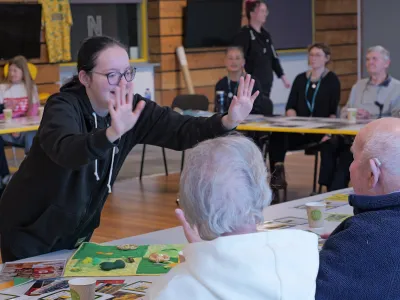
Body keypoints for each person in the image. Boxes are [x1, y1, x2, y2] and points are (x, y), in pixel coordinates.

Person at [0, 36, 259, 262]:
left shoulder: (133, 109)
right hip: (27, 229)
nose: (121, 82)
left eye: (127, 73)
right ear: (84, 77)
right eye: (111, 75)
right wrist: (112, 133)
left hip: (73, 231)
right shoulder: (63, 106)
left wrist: (228, 120)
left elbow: (182, 130)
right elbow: (67, 151)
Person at [147, 135, 319, 300]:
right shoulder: (304, 258)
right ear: (261, 192)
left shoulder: (172, 290)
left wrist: (202, 257)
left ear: (190, 205)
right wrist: (206, 256)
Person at [316, 117, 400, 300]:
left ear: (373, 174)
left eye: (353, 158)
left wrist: (351, 245)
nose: (350, 167)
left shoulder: (366, 241)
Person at [268, 43, 341, 190]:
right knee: (276, 135)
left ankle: (325, 187)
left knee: (331, 146)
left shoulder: (332, 80)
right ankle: (277, 176)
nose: (313, 58)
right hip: (299, 130)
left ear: (327, 58)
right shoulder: (300, 79)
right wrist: (295, 122)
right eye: (311, 54)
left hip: (320, 133)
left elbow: (333, 112)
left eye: (317, 55)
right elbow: (290, 107)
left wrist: (328, 131)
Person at [327, 45, 400, 191]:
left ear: (386, 63)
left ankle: (339, 189)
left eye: (374, 59)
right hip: (351, 135)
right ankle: (328, 190)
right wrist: (352, 113)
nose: (370, 62)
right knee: (329, 146)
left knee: (348, 156)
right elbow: (344, 112)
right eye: (367, 59)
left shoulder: (397, 88)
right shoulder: (358, 86)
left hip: (377, 141)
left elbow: (395, 121)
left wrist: (370, 118)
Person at [233, 0, 290, 103]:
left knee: (265, 108)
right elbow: (239, 58)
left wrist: (283, 77)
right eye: (262, 11)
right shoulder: (244, 34)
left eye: (266, 11)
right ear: (252, 13)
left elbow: (273, 57)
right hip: (251, 84)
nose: (265, 14)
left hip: (266, 83)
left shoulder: (265, 35)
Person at [0, 55, 40, 154]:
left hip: (25, 130)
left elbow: (33, 115)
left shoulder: (31, 88)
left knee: (33, 135)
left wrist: (20, 128)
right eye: (10, 70)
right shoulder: (2, 88)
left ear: (23, 72)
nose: (11, 73)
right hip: (7, 131)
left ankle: (31, 164)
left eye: (15, 71)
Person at [214, 46, 268, 115]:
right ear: (225, 62)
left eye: (237, 58)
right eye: (230, 58)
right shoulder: (221, 84)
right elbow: (218, 110)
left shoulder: (252, 82)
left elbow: (257, 109)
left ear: (243, 62)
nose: (234, 62)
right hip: (228, 123)